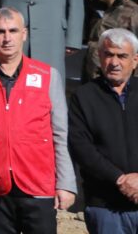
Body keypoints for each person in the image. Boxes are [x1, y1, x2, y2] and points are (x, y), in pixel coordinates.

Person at [0, 7, 75, 233]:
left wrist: (66, 183)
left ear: (24, 34)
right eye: (0, 32)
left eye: (13, 31)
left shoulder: (48, 76)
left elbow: (60, 135)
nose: (7, 38)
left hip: (38, 185)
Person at [69, 28, 138, 233]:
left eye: (122, 56)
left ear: (135, 60)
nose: (114, 62)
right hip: (104, 206)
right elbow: (81, 147)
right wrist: (119, 179)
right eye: (108, 55)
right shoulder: (84, 96)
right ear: (99, 57)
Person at [85, 0, 138, 80]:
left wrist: (134, 85)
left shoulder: (133, 13)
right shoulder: (99, 11)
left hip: (118, 84)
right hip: (93, 81)